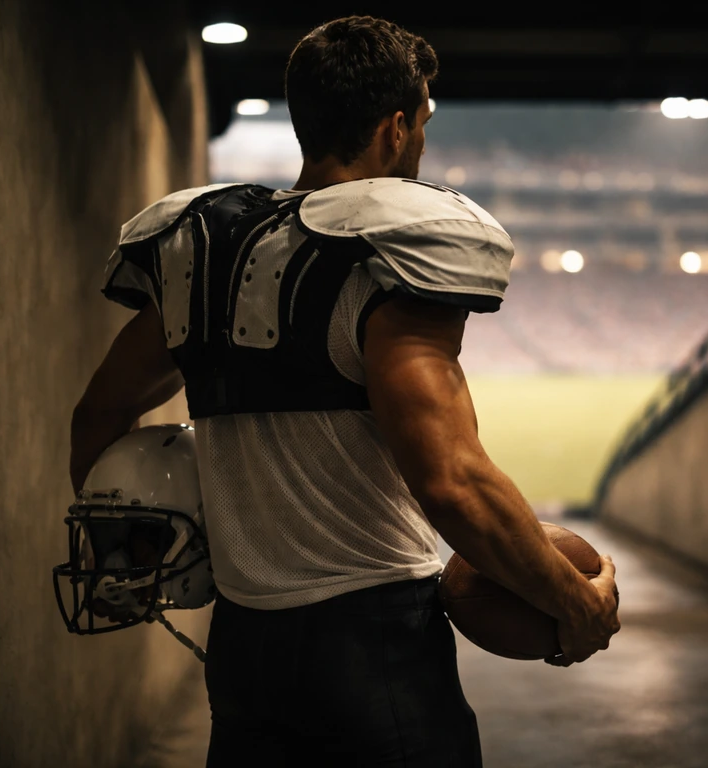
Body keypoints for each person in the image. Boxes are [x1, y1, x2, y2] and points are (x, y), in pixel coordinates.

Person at [69, 14, 620, 767]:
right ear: (395, 129)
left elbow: (98, 414)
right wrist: (572, 599)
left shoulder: (205, 260)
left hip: (244, 646)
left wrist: (123, 552)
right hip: (372, 639)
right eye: (420, 121)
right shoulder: (386, 260)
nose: (420, 142)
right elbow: (452, 481)